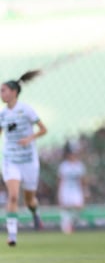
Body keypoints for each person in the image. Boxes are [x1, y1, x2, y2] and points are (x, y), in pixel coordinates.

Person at [0, 70, 47, 246]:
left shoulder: (26, 110)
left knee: (29, 200)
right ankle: (12, 235)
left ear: (14, 92)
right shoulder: (3, 114)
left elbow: (43, 129)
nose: (1, 94)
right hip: (10, 160)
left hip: (28, 160)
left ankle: (35, 213)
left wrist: (30, 138)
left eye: (3, 90)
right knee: (12, 196)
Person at [57, 142, 87, 234]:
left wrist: (85, 192)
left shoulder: (79, 166)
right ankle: (66, 227)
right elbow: (60, 180)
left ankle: (73, 224)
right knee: (65, 208)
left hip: (76, 190)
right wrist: (59, 194)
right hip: (66, 190)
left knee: (78, 207)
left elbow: (82, 180)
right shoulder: (64, 166)